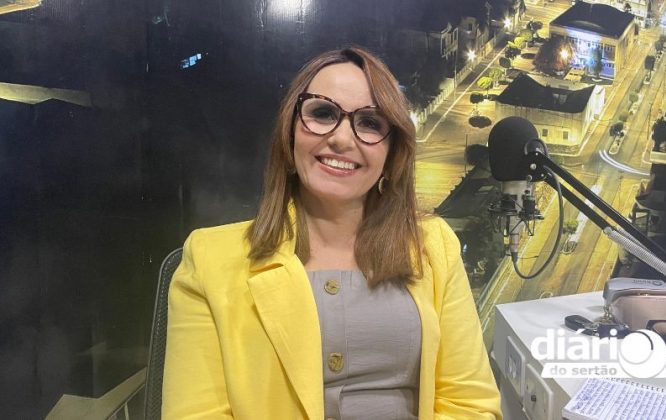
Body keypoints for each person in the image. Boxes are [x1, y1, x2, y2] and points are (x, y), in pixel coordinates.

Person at [163, 46, 502, 419]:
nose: (342, 139)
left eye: (370, 122)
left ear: (392, 154)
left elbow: (470, 405)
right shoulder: (209, 260)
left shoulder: (434, 246)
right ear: (290, 135)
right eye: (323, 114)